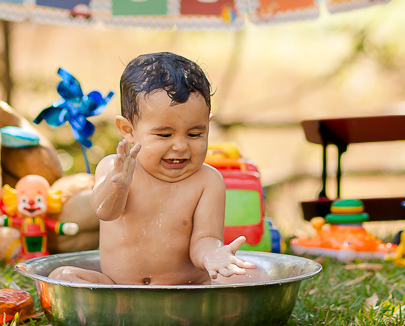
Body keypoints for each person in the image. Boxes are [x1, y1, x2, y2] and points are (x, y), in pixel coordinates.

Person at [49, 52, 257, 285]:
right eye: (164, 134)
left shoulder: (208, 181)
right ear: (128, 130)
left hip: (184, 292)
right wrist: (118, 186)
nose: (180, 146)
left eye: (195, 134)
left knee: (247, 278)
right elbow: (104, 211)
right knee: (62, 276)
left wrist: (211, 255)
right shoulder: (115, 167)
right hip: (119, 290)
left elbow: (205, 238)